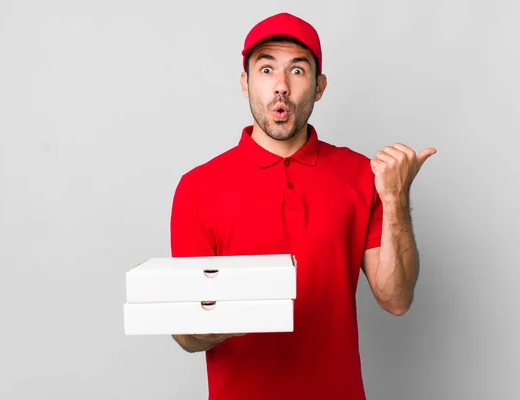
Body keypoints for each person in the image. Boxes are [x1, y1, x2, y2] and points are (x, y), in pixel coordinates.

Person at [169, 12, 436, 400]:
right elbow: (186, 335)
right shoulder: (197, 188)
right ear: (245, 83)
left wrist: (395, 197)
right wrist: (235, 316)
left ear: (319, 85)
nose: (281, 86)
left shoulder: (361, 174)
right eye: (265, 69)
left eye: (297, 70)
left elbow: (395, 298)